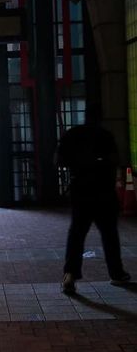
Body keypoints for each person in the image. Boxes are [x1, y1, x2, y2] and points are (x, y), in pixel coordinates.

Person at [56, 105, 130, 295]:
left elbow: (58, 160)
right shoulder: (105, 136)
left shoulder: (73, 135)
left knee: (77, 234)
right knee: (109, 234)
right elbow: (115, 160)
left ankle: (70, 274)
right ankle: (116, 272)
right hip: (104, 192)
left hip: (81, 191)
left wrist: (78, 164)